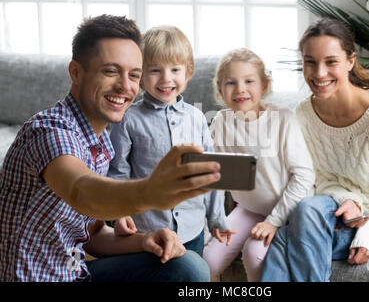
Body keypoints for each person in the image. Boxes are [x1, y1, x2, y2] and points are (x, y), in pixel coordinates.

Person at [0, 15, 221, 282]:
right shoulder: (50, 131)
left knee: (189, 267)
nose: (125, 86)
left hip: (75, 272)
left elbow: (92, 235)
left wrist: (144, 240)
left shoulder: (100, 142)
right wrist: (151, 192)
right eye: (111, 71)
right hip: (34, 277)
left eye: (134, 75)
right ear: (76, 73)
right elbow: (81, 190)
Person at [261, 18, 369, 282]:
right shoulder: (303, 116)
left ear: (350, 61)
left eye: (331, 62)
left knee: (284, 238)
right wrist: (347, 200)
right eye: (310, 62)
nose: (319, 73)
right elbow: (312, 179)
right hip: (333, 217)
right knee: (307, 209)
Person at [107, 25, 231, 258]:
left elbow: (211, 172)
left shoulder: (197, 118)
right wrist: (119, 213)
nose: (166, 78)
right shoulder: (127, 119)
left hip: (192, 231)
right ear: (141, 75)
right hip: (146, 230)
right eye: (155, 70)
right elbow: (117, 172)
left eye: (175, 69)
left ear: (188, 72)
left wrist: (216, 218)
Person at [202, 48, 315, 281]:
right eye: (231, 82)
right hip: (248, 209)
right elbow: (214, 175)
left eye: (249, 81)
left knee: (254, 253)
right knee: (208, 261)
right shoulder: (221, 122)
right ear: (220, 89)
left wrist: (274, 221)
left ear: (264, 86)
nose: (240, 89)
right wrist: (216, 219)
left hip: (289, 211)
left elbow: (304, 176)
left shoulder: (283, 119)